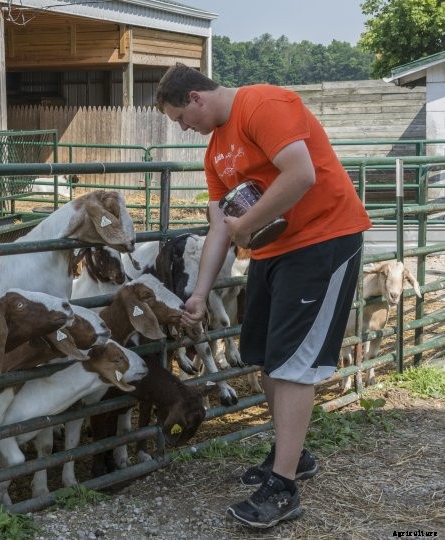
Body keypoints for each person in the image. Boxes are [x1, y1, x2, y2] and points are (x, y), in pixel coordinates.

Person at [154, 64, 371, 528]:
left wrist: (245, 227)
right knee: (264, 354)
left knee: (293, 363)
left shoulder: (264, 104)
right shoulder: (216, 151)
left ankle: (283, 487)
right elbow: (219, 227)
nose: (183, 128)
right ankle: (295, 456)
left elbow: (301, 174)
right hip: (273, 249)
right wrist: (200, 292)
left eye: (179, 118)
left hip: (324, 239)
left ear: (195, 98)